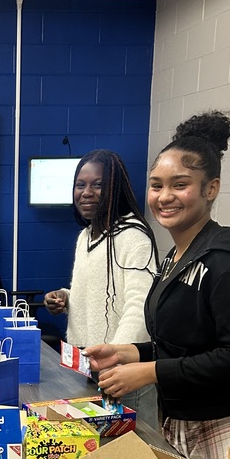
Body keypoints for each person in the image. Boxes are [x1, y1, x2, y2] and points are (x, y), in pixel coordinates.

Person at [85, 111, 230, 459]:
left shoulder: (226, 262)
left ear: (211, 189)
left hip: (229, 421)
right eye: (156, 185)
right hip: (184, 416)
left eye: (179, 185)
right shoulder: (176, 256)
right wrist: (130, 353)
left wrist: (148, 371)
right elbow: (184, 344)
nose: (164, 197)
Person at [43, 150, 159, 427]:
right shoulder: (87, 236)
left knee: (134, 453)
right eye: (80, 185)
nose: (87, 192)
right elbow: (94, 291)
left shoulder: (133, 237)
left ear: (115, 189)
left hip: (122, 373)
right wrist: (65, 297)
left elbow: (138, 307)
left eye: (98, 185)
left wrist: (117, 361)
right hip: (87, 366)